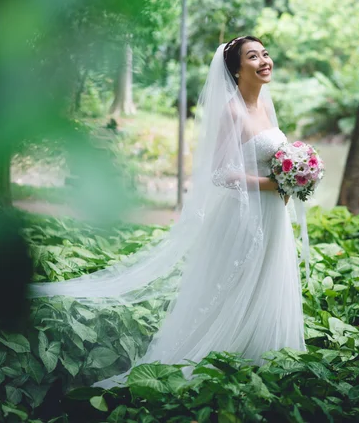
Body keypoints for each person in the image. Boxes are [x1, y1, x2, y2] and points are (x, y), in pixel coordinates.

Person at [30, 35, 307, 388]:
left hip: (272, 214)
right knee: (237, 286)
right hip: (245, 215)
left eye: (265, 53)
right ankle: (218, 358)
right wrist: (273, 183)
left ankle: (261, 358)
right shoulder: (232, 111)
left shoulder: (265, 107)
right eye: (253, 56)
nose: (265, 60)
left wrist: (293, 170)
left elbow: (271, 157)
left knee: (268, 280)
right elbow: (220, 173)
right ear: (237, 70)